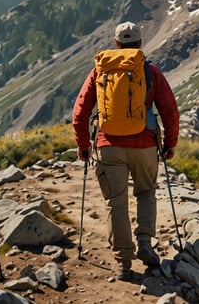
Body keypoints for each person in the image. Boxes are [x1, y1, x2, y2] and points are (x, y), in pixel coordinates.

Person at [72, 21, 179, 281]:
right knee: (146, 192)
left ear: (116, 43)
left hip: (109, 147)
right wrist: (170, 144)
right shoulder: (150, 71)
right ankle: (145, 242)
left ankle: (123, 262)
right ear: (140, 44)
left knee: (115, 202)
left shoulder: (100, 71)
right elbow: (169, 110)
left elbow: (80, 112)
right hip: (145, 145)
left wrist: (83, 145)